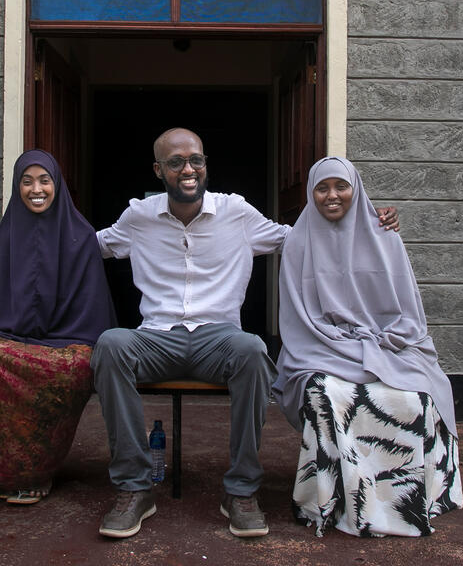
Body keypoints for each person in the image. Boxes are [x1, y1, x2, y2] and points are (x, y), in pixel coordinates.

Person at [91, 128, 399, 539]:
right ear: (158, 170)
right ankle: (135, 488)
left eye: (195, 160)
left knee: (253, 350)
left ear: (205, 165)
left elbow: (300, 239)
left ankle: (241, 491)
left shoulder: (236, 212)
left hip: (219, 340)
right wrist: (17, 240)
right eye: (176, 162)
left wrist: (368, 221)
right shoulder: (138, 218)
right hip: (156, 338)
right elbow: (86, 246)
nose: (188, 169)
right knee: (111, 345)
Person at [273, 156, 463, 537]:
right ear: (311, 193)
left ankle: (405, 497)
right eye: (321, 188)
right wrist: (344, 343)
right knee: (326, 393)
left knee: (417, 397)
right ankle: (332, 498)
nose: (332, 195)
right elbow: (298, 320)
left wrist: (381, 341)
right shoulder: (297, 240)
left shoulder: (384, 234)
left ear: (355, 189)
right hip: (321, 347)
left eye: (340, 186)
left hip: (386, 344)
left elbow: (407, 312)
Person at [0, 149, 116, 508]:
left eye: (44, 180)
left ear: (57, 185)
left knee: (71, 364)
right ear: (17, 187)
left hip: (71, 343)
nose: (36, 189)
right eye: (27, 181)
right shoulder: (8, 236)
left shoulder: (81, 236)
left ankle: (34, 471)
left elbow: (91, 311)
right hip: (18, 342)